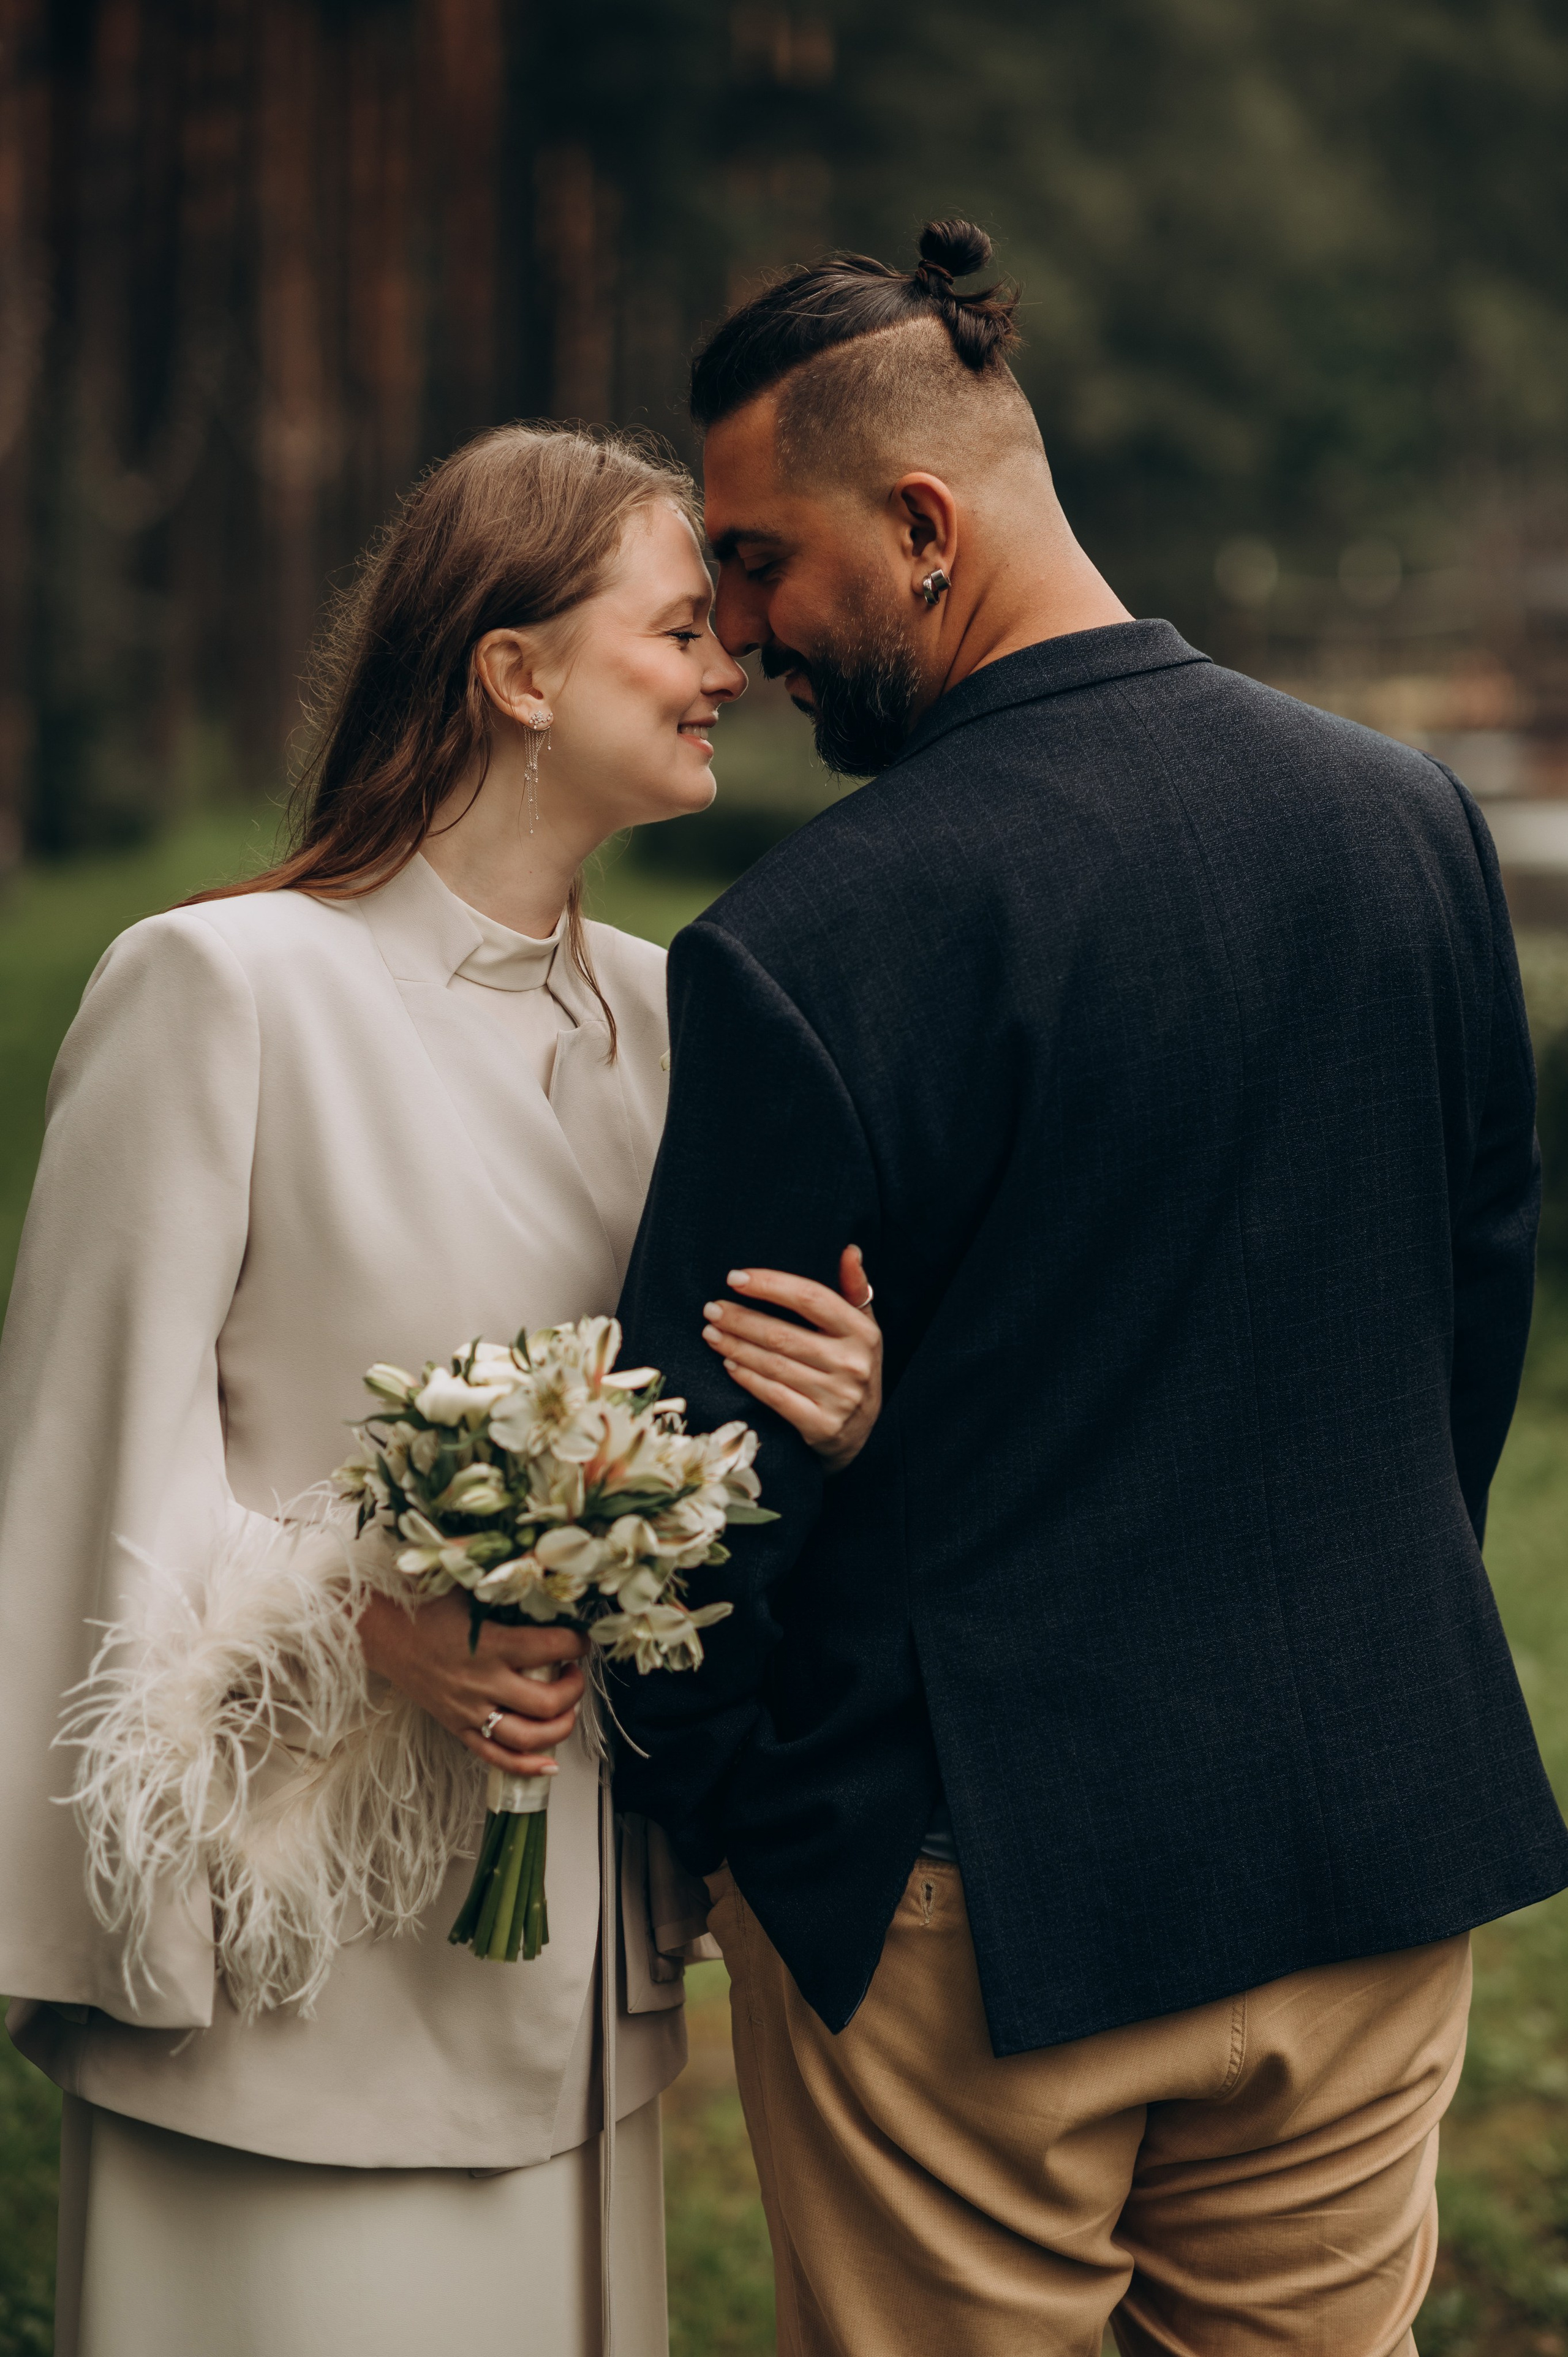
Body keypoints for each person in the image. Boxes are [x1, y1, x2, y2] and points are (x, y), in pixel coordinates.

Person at [610, 217, 1568, 2356]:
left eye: (759, 563)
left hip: (976, 1910)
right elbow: (1466, 1334)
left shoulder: (815, 941)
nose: (744, 635)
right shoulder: (1407, 822)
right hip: (1362, 1842)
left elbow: (700, 1496)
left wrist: (730, 1814)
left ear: (925, 525)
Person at [0, 422, 882, 2357]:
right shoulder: (218, 989)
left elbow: (703, 1445)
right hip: (294, 1972)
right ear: (518, 670)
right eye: (677, 624)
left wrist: (838, 1408)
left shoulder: (683, 1023)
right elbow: (81, 1488)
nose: (728, 659)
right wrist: (361, 1622)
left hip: (573, 1976)